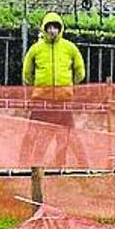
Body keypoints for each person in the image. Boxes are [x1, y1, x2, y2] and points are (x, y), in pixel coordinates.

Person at [20, 12, 86, 166]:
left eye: (55, 27)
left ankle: (61, 164)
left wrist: (68, 85)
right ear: (44, 29)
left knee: (66, 135)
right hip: (41, 101)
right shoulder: (36, 49)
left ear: (60, 29)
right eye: (49, 27)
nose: (52, 31)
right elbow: (27, 73)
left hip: (63, 101)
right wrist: (39, 86)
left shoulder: (70, 48)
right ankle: (28, 164)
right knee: (34, 133)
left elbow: (80, 71)